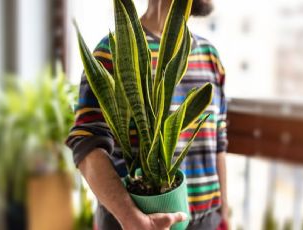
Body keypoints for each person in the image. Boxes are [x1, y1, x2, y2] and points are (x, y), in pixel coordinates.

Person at [66, 0, 229, 229]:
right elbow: (86, 144)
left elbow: (219, 143)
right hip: (132, 222)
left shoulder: (210, 56)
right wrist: (129, 217)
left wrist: (223, 214)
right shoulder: (114, 51)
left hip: (206, 221)